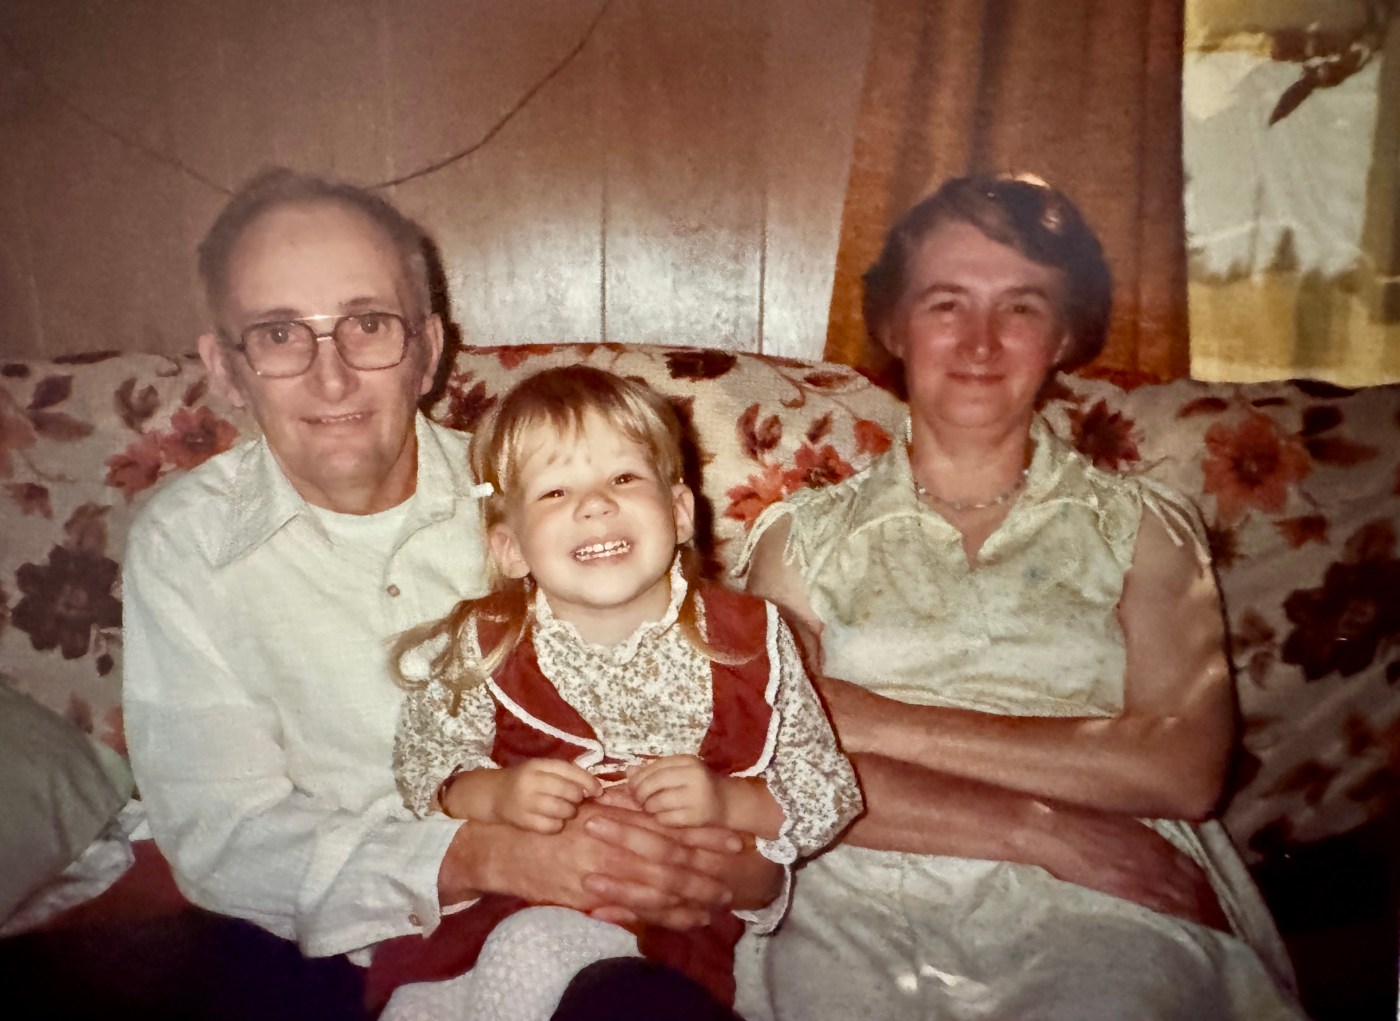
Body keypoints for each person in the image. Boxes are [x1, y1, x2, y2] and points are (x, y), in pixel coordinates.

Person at [122, 168, 781, 1020]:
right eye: (280, 333)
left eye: (367, 324)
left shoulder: (548, 506)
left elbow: (725, 719)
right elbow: (223, 835)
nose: (332, 378)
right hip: (311, 941)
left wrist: (726, 863)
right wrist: (481, 855)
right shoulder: (184, 544)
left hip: (598, 929)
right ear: (225, 368)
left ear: (429, 349)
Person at [735, 173, 1309, 1020]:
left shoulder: (1143, 526)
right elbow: (776, 756)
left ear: (1064, 333)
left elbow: (1182, 768)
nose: (980, 341)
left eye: (1021, 307)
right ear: (893, 325)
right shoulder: (802, 535)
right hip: (862, 873)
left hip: (1116, 884)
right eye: (946, 303)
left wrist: (855, 715)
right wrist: (1041, 825)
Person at [366, 367, 860, 1019]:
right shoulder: (487, 642)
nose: (595, 504)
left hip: (668, 934)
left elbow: (828, 790)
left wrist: (727, 800)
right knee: (423, 1002)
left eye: (624, 478)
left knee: (542, 950)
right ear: (511, 548)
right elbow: (425, 767)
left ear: (679, 513)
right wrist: (498, 794)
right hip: (494, 917)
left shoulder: (750, 639)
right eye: (555, 490)